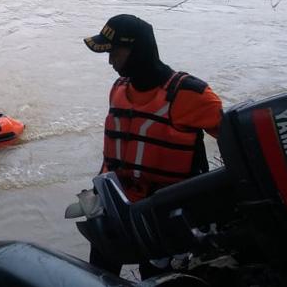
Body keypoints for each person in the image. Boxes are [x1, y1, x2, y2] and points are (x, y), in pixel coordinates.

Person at [83, 14, 223, 278]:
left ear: (137, 50)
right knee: (97, 277)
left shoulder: (191, 95)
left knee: (158, 280)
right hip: (115, 208)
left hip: (165, 215)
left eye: (114, 52)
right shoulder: (119, 89)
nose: (110, 61)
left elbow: (237, 145)